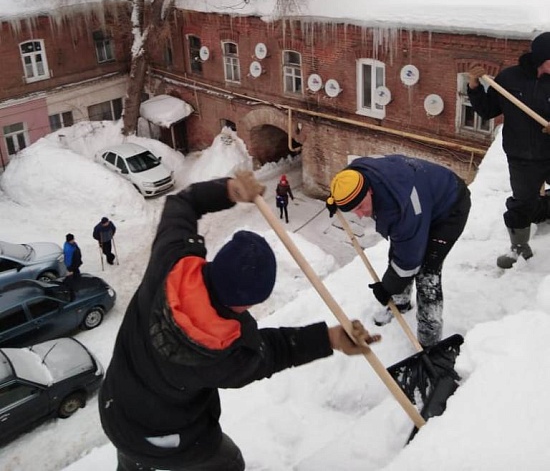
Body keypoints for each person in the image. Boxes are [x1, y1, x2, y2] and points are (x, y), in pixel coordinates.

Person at [99, 171, 380, 471]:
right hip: (166, 438)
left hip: (116, 407)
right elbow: (275, 352)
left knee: (132, 458)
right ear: (248, 303)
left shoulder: (171, 261)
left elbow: (182, 203)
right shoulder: (226, 356)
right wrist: (330, 338)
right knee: (229, 462)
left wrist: (229, 190)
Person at [326, 155, 471, 348]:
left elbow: (409, 259)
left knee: (427, 273)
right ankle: (400, 305)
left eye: (360, 206)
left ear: (369, 190)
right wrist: (335, 200)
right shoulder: (357, 175)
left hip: (449, 207)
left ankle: (429, 342)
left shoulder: (400, 208)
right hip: (423, 199)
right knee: (397, 252)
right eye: (352, 210)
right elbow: (345, 180)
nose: (359, 215)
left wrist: (388, 287)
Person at [468, 31, 550, 268]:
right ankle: (519, 247)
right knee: (522, 203)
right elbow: (487, 110)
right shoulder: (509, 79)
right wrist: (474, 86)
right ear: (541, 58)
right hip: (521, 156)